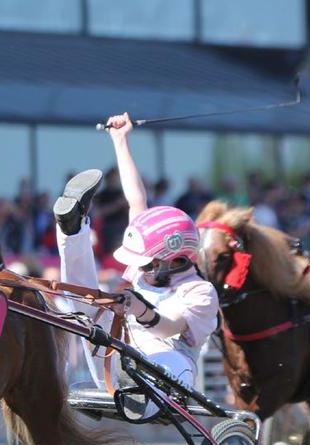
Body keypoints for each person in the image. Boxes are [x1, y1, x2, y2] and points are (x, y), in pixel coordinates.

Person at [54, 112, 218, 389]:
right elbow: (136, 199)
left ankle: (140, 381)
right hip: (114, 354)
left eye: (147, 264)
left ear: (175, 260)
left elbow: (170, 326)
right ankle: (73, 228)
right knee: (83, 302)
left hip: (168, 369)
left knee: (167, 360)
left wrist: (137, 307)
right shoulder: (146, 263)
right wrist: (120, 140)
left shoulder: (201, 292)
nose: (140, 269)